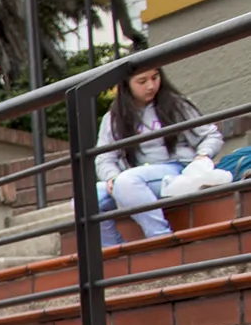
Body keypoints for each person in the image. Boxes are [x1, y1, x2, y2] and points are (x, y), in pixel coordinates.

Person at [95, 64, 224, 248]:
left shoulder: (175, 104)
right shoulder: (114, 118)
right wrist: (111, 177)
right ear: (126, 84)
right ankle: (115, 251)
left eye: (155, 77)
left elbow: (211, 135)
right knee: (86, 200)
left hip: (177, 168)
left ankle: (162, 241)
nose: (150, 86)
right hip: (136, 179)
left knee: (126, 182)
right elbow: (104, 157)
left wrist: (203, 156)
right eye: (142, 81)